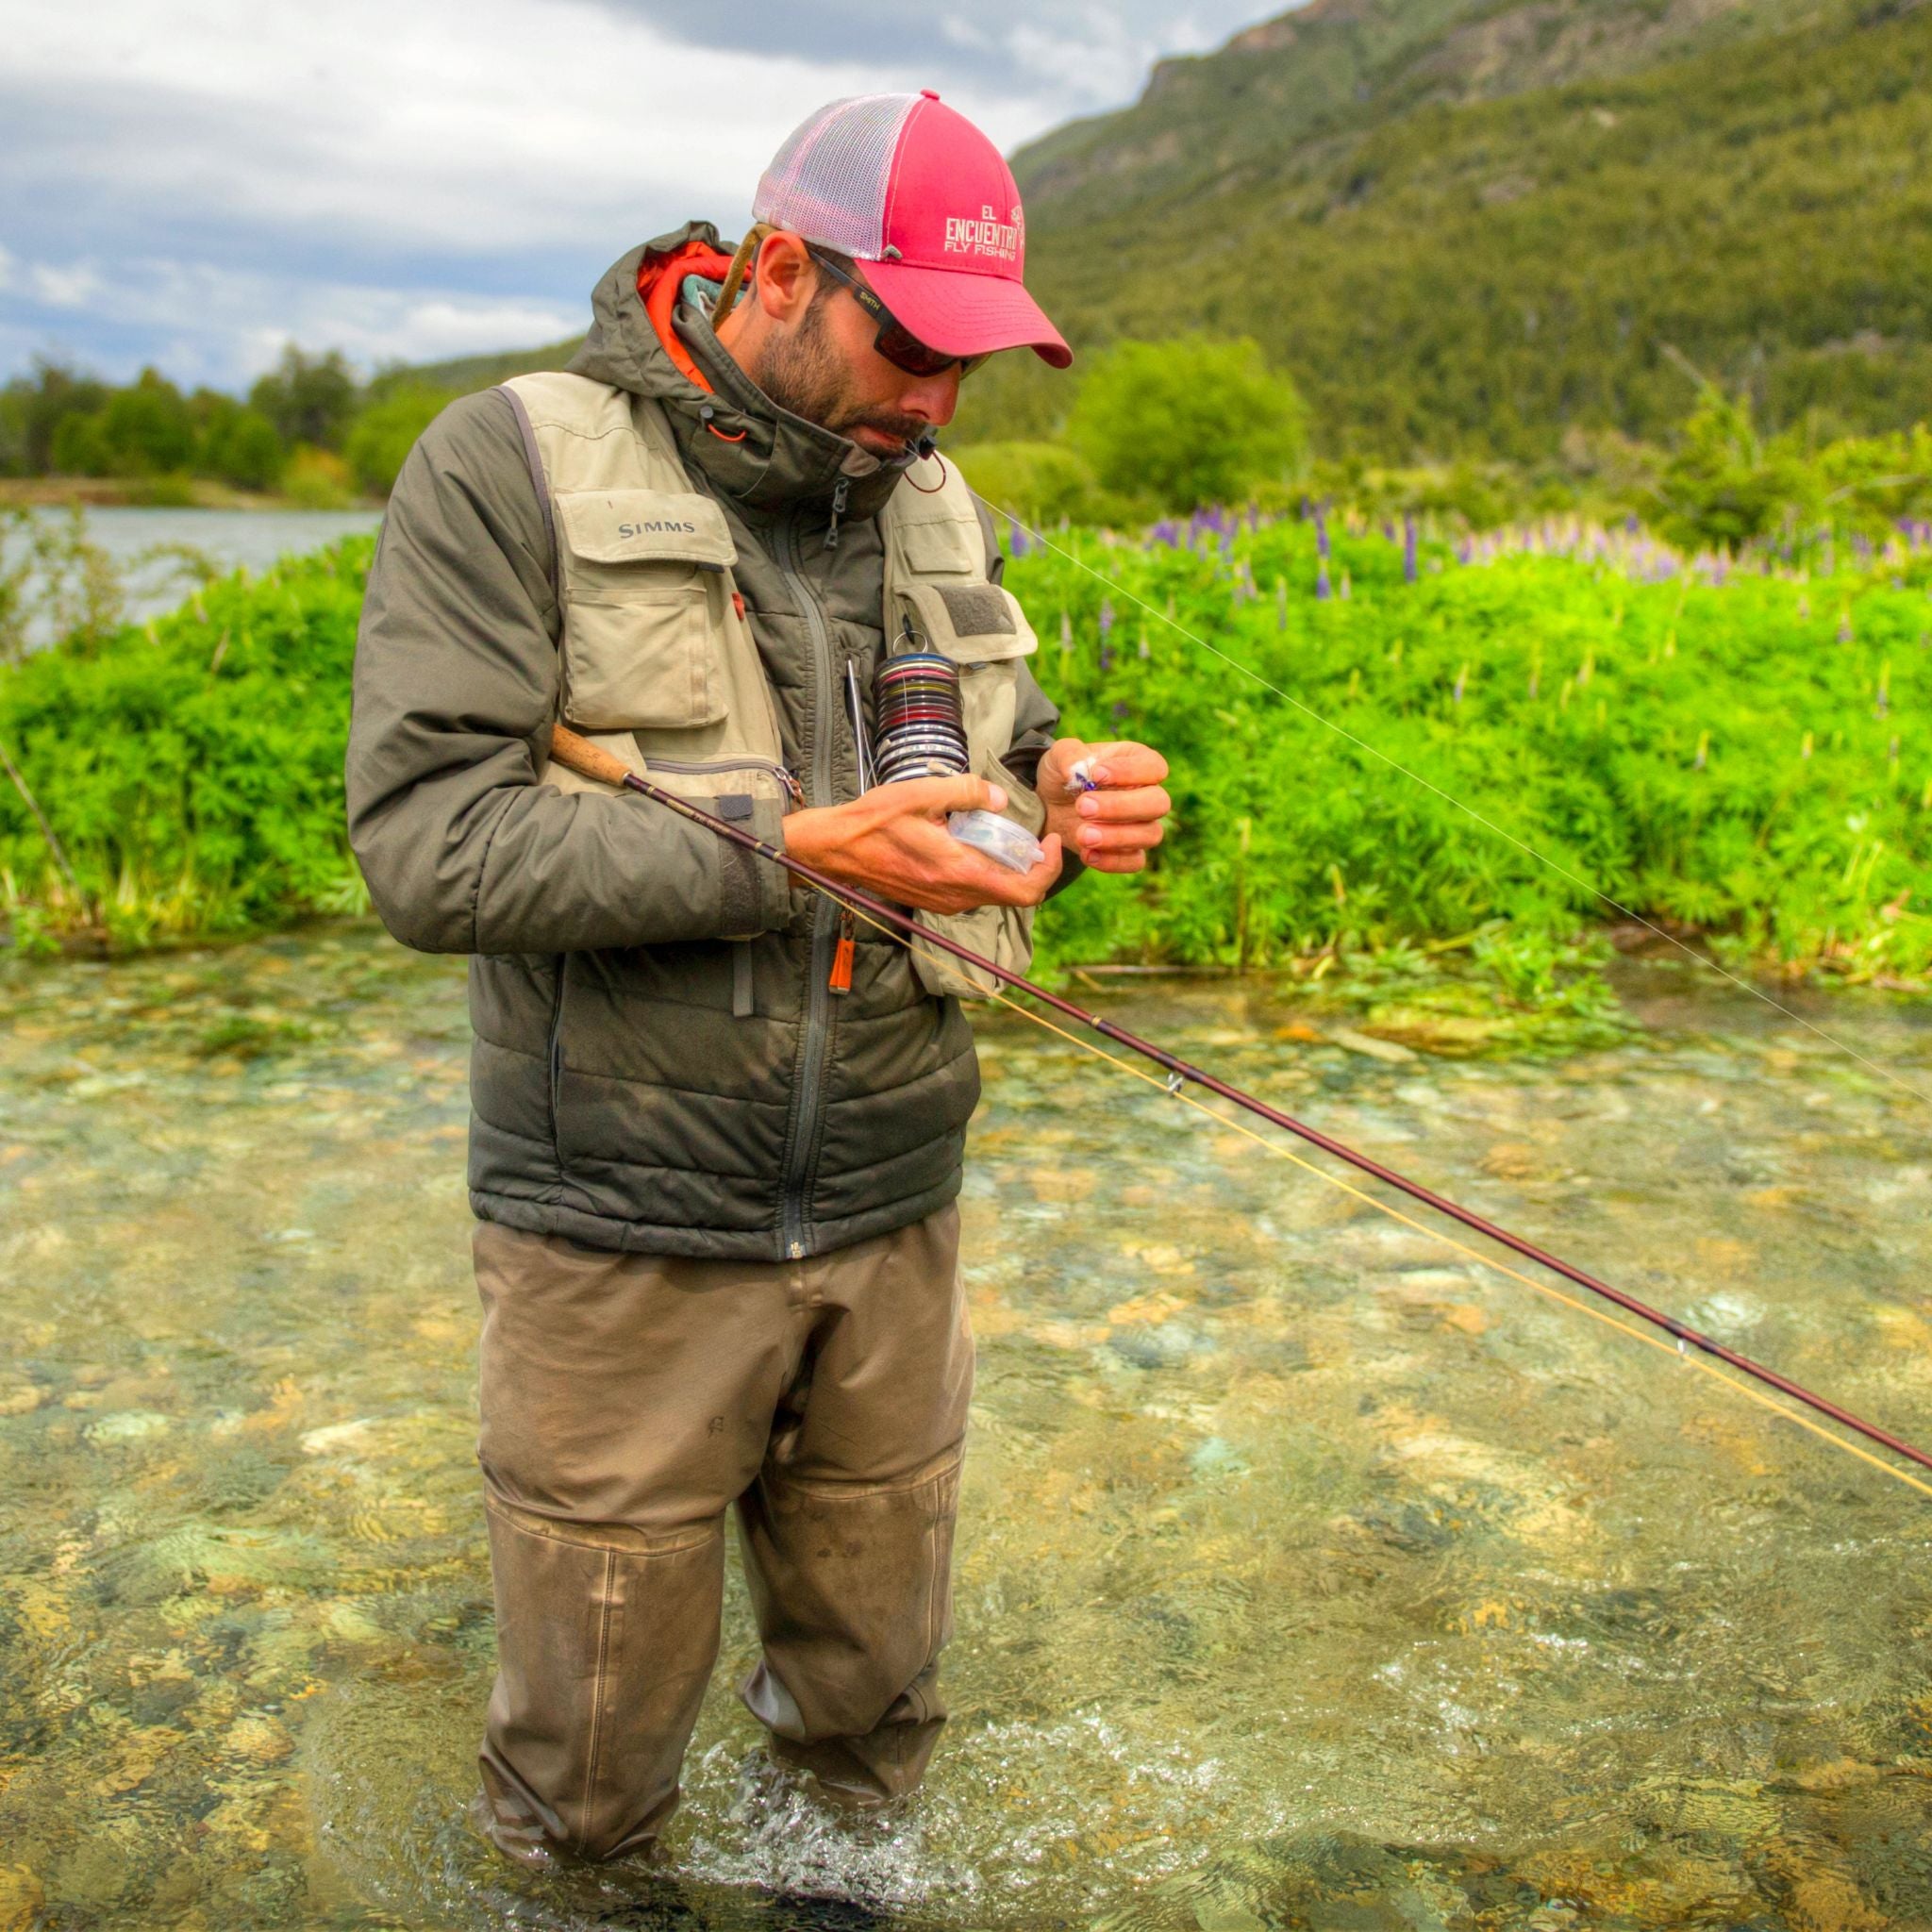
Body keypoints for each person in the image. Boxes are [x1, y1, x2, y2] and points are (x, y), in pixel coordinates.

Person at [345, 90, 1172, 1868]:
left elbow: (994, 752)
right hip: (619, 1242)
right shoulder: (506, 462)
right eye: (913, 347)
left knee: (868, 1764)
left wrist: (1070, 792)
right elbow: (427, 845)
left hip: (896, 1215)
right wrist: (790, 845)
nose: (942, 405)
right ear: (780, 271)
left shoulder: (931, 498)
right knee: (584, 1805)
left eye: (977, 364)